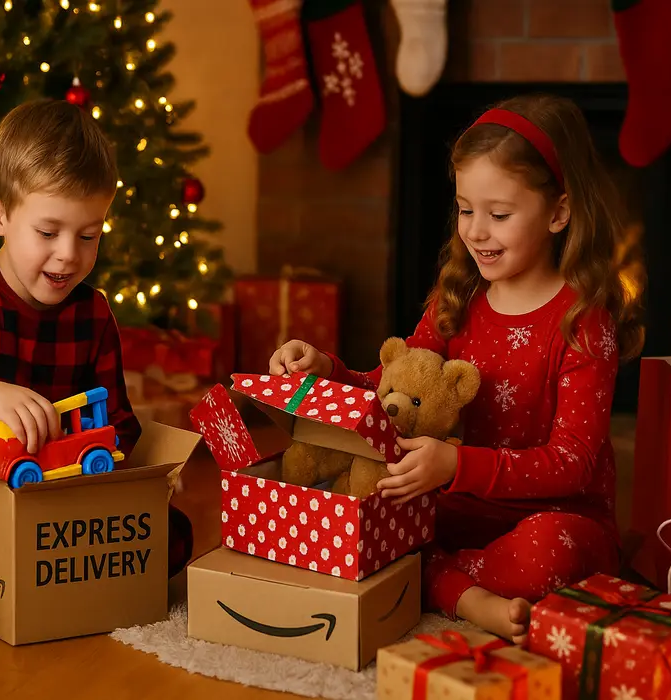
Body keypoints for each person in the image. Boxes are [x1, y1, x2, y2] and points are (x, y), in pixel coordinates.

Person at [268, 93, 644, 644]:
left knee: (548, 554)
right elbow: (394, 393)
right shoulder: (458, 298)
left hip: (555, 517)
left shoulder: (583, 322)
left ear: (558, 213)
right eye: (466, 210)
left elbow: (573, 464)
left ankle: (438, 583)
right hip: (456, 507)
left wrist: (456, 465)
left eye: (500, 215)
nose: (476, 231)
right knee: (368, 509)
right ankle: (467, 595)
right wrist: (326, 368)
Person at [0, 99, 193, 603]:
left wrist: (137, 479)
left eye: (89, 235)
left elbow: (118, 420)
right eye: (48, 232)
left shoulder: (92, 314)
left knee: (172, 534)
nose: (69, 254)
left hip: (67, 513)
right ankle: (45, 578)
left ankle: (30, 578)